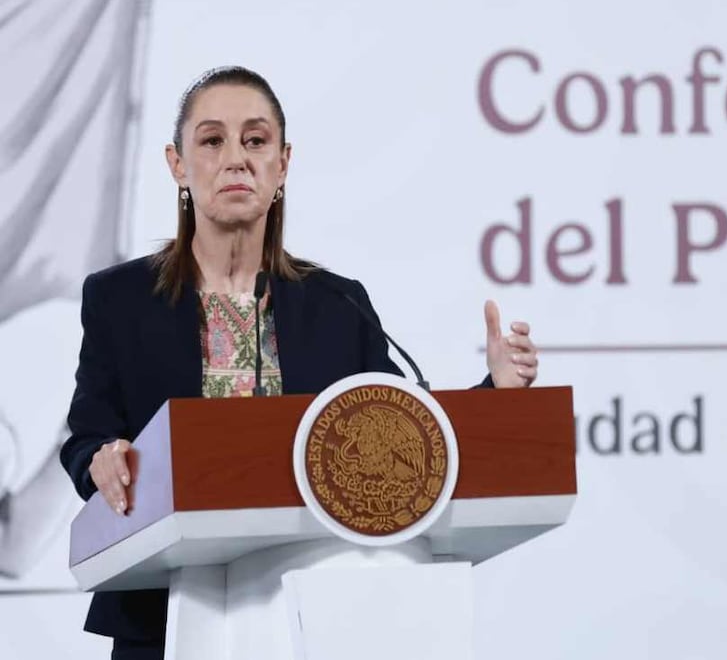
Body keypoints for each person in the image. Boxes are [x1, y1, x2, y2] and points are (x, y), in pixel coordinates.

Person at [58, 66, 539, 660]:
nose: (236, 158)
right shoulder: (119, 300)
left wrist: (498, 391)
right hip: (163, 616)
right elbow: (87, 438)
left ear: (282, 164)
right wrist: (101, 461)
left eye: (255, 141)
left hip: (319, 618)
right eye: (212, 141)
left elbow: (403, 436)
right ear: (177, 164)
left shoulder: (337, 303)